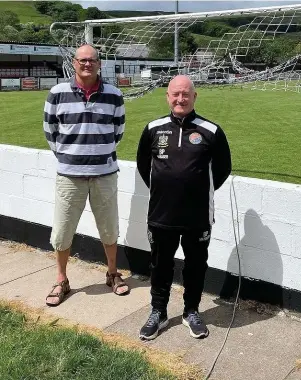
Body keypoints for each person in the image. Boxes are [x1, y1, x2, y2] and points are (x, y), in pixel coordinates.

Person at [136, 75, 231, 340]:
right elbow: (145, 167)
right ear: (167, 96)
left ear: (194, 97)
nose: (180, 99)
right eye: (175, 94)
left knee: (196, 265)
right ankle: (158, 312)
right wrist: (168, 189)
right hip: (161, 214)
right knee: (160, 265)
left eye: (185, 94)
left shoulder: (211, 131)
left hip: (197, 216)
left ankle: (191, 311)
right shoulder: (153, 129)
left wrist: (194, 190)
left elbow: (223, 170)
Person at [43, 44, 129, 306]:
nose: (87, 64)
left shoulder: (114, 95)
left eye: (92, 60)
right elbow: (50, 131)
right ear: (74, 63)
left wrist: (97, 154)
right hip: (70, 176)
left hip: (104, 174)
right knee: (63, 230)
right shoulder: (57, 94)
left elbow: (118, 132)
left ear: (99, 63)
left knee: (109, 228)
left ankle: (112, 274)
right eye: (82, 60)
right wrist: (71, 157)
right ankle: (61, 280)